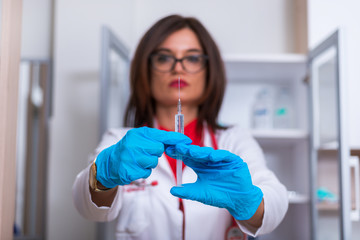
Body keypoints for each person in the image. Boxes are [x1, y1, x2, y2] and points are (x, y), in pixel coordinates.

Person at [72, 14, 288, 240]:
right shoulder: (120, 141)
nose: (178, 68)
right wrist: (103, 176)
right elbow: (86, 206)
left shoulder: (233, 140)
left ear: (209, 71)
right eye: (164, 58)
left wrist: (248, 201)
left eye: (192, 58)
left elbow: (276, 200)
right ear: (146, 70)